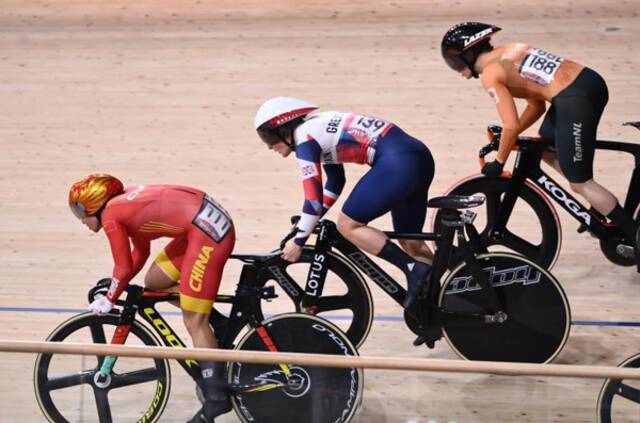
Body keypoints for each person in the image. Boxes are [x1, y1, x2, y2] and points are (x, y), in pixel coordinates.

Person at [441, 21, 640, 259]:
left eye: (454, 63)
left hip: (574, 97)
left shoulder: (490, 75)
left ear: (468, 53)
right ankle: (595, 200)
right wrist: (509, 137)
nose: (459, 72)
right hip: (581, 85)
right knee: (545, 148)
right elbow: (536, 106)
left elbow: (511, 124)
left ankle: (633, 234)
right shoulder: (510, 50)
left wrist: (500, 160)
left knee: (580, 182)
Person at [68, 174, 235, 423]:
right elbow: (141, 251)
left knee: (194, 322)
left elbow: (123, 267)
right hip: (202, 226)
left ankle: (217, 397)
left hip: (207, 234)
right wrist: (117, 287)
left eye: (79, 210)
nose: (79, 218)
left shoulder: (111, 216)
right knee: (155, 282)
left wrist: (110, 298)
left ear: (95, 203)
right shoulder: (121, 205)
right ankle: (217, 321)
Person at [255, 97, 435, 308]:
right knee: (411, 241)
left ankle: (412, 268)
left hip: (397, 163)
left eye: (268, 137)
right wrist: (308, 223)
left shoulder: (305, 139)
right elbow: (335, 182)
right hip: (417, 156)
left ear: (284, 130)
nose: (268, 147)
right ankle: (438, 302)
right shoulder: (316, 125)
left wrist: (298, 241)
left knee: (348, 225)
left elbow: (312, 200)